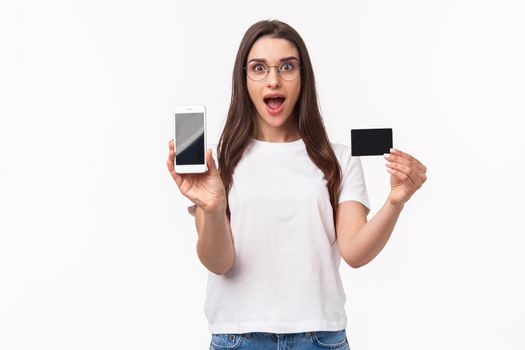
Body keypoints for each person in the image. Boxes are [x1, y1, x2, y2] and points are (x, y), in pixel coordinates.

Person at [167, 19, 427, 350]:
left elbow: (355, 252)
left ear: (303, 77)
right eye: (259, 68)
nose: (273, 80)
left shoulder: (338, 157)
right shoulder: (218, 162)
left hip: (320, 338)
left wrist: (396, 201)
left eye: (287, 67)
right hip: (237, 338)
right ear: (243, 79)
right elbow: (218, 262)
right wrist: (214, 208)